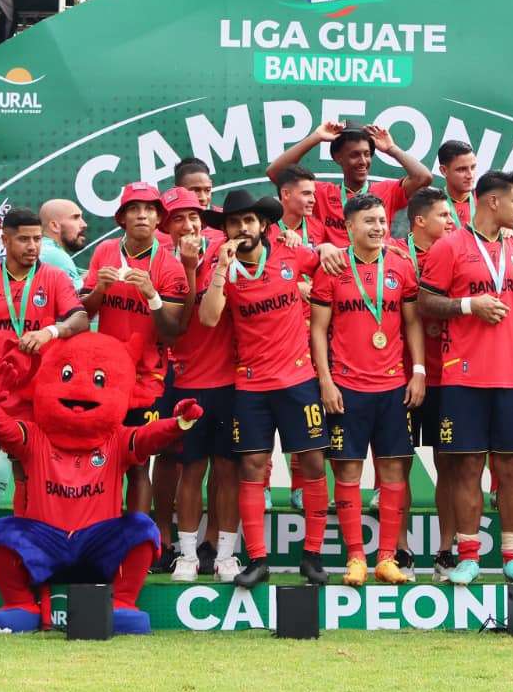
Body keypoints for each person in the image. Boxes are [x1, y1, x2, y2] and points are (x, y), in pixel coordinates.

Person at [417, 170, 513, 585]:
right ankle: (469, 557)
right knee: (466, 470)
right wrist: (467, 306)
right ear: (492, 201)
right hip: (463, 379)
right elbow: (425, 300)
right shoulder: (449, 246)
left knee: (512, 471)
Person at [0, 206, 88, 584]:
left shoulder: (56, 279)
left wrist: (50, 333)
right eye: (24, 239)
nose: (32, 246)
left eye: (37, 239)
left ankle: (26, 555)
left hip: (34, 398)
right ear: (5, 239)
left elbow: (80, 319)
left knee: (27, 472)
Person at [197, 189, 327, 587]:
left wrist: (320, 247)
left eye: (249, 220)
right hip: (251, 385)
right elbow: (208, 318)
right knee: (251, 469)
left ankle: (313, 556)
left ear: (264, 225)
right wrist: (221, 267)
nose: (242, 228)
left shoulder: (291, 254)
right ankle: (257, 560)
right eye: (234, 222)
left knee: (314, 464)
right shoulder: (222, 267)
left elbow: (327, 260)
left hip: (299, 381)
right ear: (226, 231)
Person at [310, 193, 422, 586]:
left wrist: (419, 371)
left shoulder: (401, 265)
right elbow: (318, 329)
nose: (378, 227)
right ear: (349, 227)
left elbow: (412, 324)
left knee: (393, 471)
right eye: (369, 221)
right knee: (348, 471)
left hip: (393, 386)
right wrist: (325, 380)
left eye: (381, 220)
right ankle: (356, 557)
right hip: (347, 387)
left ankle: (387, 558)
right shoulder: (333, 267)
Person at [80, 183, 188, 515]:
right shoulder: (104, 253)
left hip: (147, 379)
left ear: (159, 220)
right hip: (104, 378)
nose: (142, 214)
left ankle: (136, 542)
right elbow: (85, 313)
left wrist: (152, 294)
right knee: (99, 459)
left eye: (149, 209)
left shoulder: (169, 266)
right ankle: (97, 533)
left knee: (139, 463)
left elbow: (172, 331)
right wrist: (99, 289)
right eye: (134, 209)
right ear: (122, 218)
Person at [157, 187, 241, 582]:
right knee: (190, 470)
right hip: (188, 380)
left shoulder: (225, 248)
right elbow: (183, 324)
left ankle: (225, 554)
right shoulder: (164, 264)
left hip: (231, 380)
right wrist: (190, 270)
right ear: (166, 227)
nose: (189, 225)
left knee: (227, 472)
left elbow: (265, 235)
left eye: (194, 217)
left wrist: (294, 236)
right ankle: (188, 555)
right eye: (179, 219)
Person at [390, 187, 456, 575]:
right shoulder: (394, 254)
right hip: (400, 375)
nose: (451, 222)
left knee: (448, 465)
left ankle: (446, 551)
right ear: (420, 221)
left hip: (448, 375)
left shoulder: (463, 253)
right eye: (444, 216)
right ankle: (401, 550)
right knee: (396, 465)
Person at [264, 121, 432, 246]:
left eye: (367, 154)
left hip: (377, 272)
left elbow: (423, 177)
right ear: (338, 158)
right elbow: (276, 173)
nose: (363, 161)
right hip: (335, 274)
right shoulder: (322, 193)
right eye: (355, 155)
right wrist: (316, 138)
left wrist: (391, 148)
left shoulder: (386, 190)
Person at [37, 198, 88, 291]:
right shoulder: (54, 254)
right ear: (54, 226)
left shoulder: (45, 249)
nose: (84, 224)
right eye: (76, 217)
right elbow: (77, 299)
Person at [436, 138, 479, 229]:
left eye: (473, 167)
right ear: (444, 171)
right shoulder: (431, 206)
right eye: (462, 169)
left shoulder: (487, 203)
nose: (470, 175)